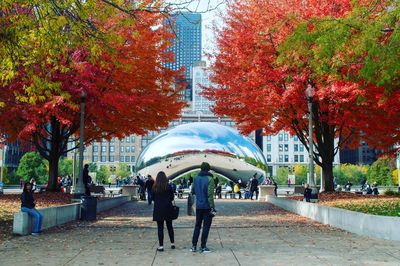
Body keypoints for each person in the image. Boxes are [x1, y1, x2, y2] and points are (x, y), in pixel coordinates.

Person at [191, 162, 215, 253]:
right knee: (206, 226)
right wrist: (212, 207)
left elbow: (193, 190)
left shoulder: (196, 178)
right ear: (208, 169)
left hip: (198, 206)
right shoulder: (210, 179)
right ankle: (203, 246)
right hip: (207, 206)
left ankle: (193, 246)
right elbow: (210, 195)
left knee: (197, 225)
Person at [152, 171, 175, 252]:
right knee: (170, 227)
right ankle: (172, 243)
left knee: (160, 228)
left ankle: (161, 246)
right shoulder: (168, 186)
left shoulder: (155, 187)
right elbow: (172, 197)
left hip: (158, 209)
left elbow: (153, 198)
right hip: (168, 208)